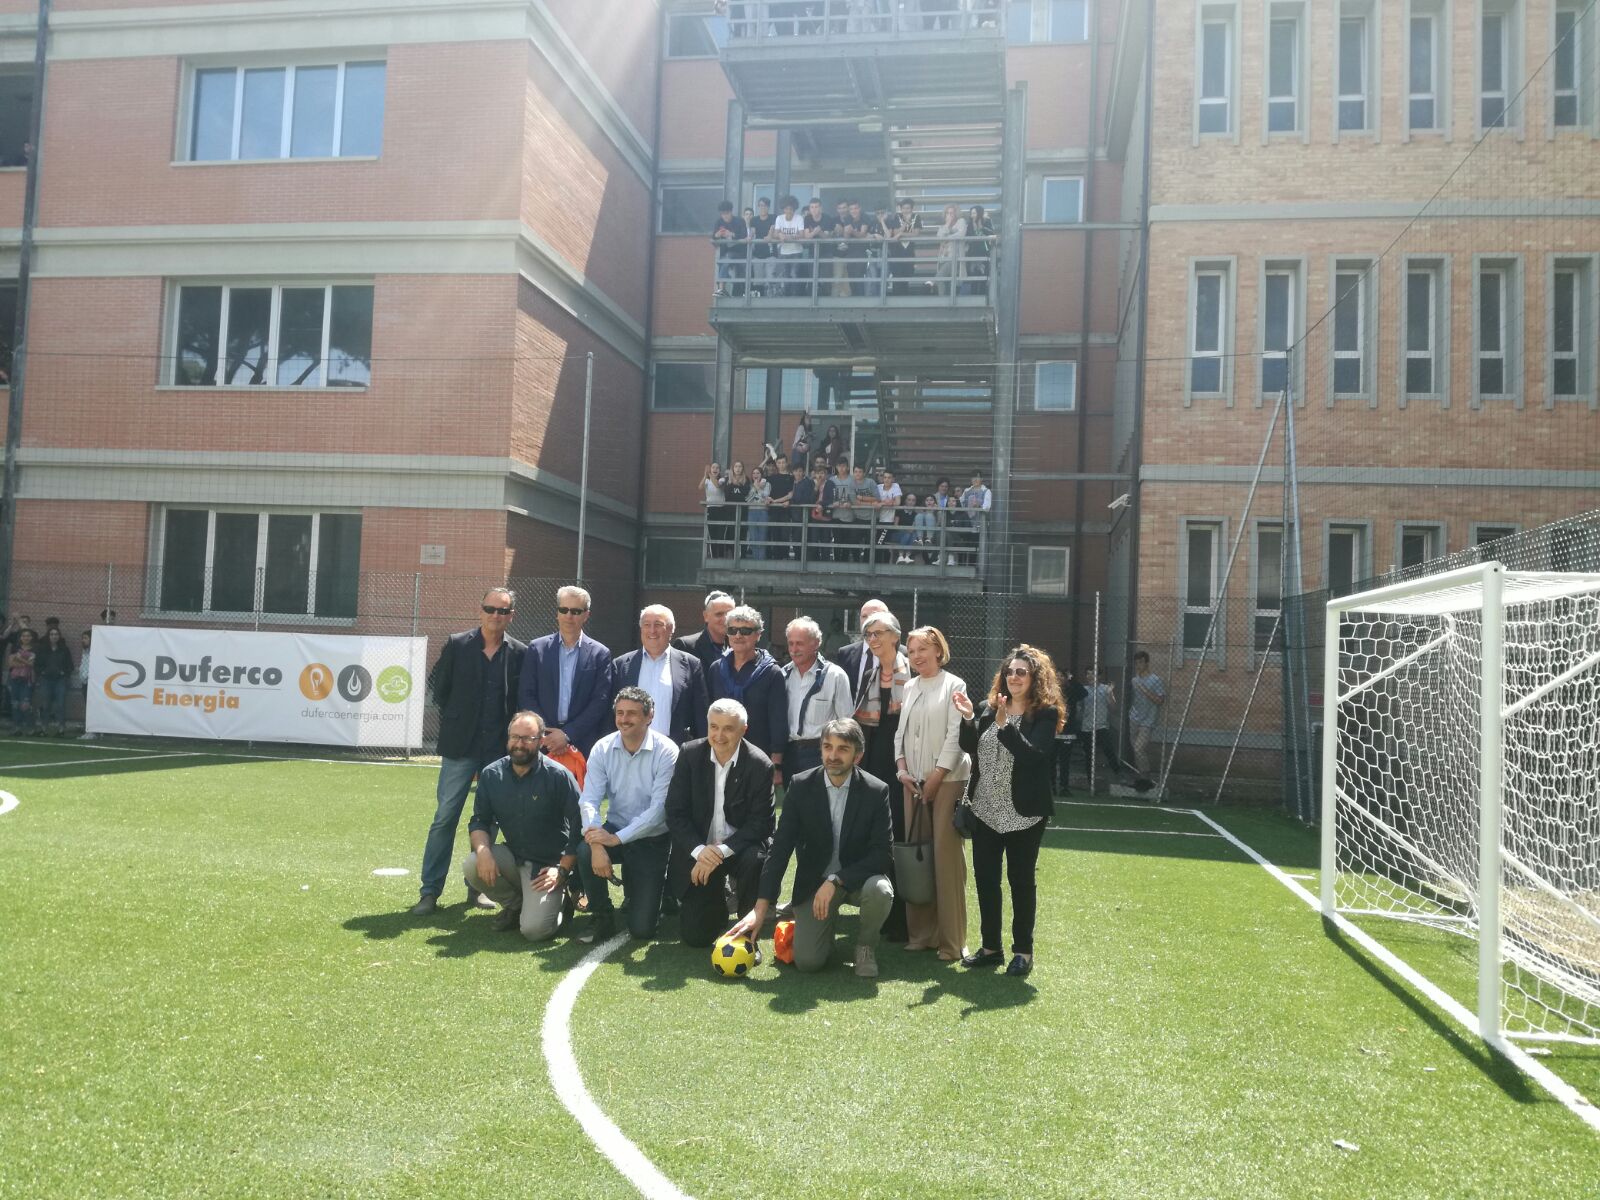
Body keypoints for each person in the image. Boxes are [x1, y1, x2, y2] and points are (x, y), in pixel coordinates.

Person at [726, 719, 895, 977]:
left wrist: (837, 880)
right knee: (808, 962)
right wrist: (761, 907)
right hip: (815, 883)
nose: (833, 755)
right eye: (828, 747)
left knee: (881, 890)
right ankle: (809, 921)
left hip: (858, 880)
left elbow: (882, 855)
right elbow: (780, 848)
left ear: (857, 756)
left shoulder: (876, 790)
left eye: (842, 749)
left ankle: (865, 946)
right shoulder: (801, 785)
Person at [411, 587, 528, 915]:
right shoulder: (457, 644)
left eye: (502, 611)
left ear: (511, 616)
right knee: (445, 817)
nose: (496, 615)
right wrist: (459, 717)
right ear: (481, 611)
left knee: (488, 822)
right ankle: (429, 891)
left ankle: (476, 889)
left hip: (498, 751)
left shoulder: (519, 652)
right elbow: (439, 688)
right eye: (490, 608)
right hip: (460, 747)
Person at [954, 645, 1064, 978]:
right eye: (1009, 672)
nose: (1013, 678)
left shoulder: (1045, 713)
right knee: (987, 880)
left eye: (1021, 672)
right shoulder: (990, 707)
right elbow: (970, 748)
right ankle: (990, 949)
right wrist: (970, 719)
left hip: (1024, 814)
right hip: (985, 808)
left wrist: (1006, 727)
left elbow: (1034, 756)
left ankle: (1023, 952)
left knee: (1020, 882)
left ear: (1035, 678)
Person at [461, 710, 581, 941]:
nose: (520, 744)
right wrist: (484, 851)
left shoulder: (558, 776)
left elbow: (581, 824)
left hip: (548, 866)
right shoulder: (491, 774)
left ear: (540, 741)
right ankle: (515, 905)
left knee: (534, 931)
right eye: (515, 737)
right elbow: (479, 821)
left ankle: (563, 899)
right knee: (473, 864)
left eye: (528, 738)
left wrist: (562, 870)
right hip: (514, 857)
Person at [665, 698, 776, 947]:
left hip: (739, 849)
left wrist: (718, 851)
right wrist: (700, 851)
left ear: (743, 730)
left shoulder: (760, 764)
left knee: (756, 858)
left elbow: (761, 824)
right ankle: (719, 900)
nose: (719, 735)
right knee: (696, 937)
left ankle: (748, 936)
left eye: (728, 728)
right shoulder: (689, 754)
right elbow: (675, 812)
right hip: (700, 850)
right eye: (713, 727)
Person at [576, 687, 681, 942]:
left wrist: (616, 839)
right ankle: (601, 916)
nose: (624, 719)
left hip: (653, 838)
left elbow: (659, 811)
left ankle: (661, 888)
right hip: (615, 829)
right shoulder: (602, 748)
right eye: (620, 713)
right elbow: (589, 799)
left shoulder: (667, 751)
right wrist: (597, 841)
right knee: (584, 850)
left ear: (649, 716)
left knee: (642, 931)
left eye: (632, 713)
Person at [892, 625, 970, 961]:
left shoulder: (955, 685)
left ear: (938, 650)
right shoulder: (908, 686)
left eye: (922, 649)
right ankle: (921, 935)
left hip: (948, 782)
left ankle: (952, 943)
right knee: (916, 860)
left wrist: (938, 776)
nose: (916, 657)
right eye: (911, 652)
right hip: (914, 784)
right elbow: (900, 735)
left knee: (946, 861)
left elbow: (956, 736)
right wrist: (902, 770)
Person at [851, 609, 911, 940]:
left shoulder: (913, 673)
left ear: (895, 637)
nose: (872, 640)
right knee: (878, 837)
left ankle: (905, 916)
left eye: (878, 633)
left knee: (902, 837)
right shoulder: (869, 676)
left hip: (903, 766)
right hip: (873, 765)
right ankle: (881, 911)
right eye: (868, 635)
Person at [518, 585, 614, 757]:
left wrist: (567, 734)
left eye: (576, 611)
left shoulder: (600, 653)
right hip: (542, 741)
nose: (569, 616)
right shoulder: (536, 648)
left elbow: (600, 701)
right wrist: (547, 733)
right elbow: (526, 694)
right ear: (557, 613)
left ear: (586, 615)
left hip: (582, 742)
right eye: (564, 610)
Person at [706, 605, 788, 779]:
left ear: (758, 634)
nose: (738, 635)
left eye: (745, 630)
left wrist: (776, 763)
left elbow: (778, 720)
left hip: (758, 755)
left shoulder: (772, 673)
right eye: (733, 630)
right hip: (721, 752)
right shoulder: (716, 669)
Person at [611, 604, 709, 746]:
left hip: (675, 749)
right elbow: (612, 714)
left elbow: (700, 715)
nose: (652, 630)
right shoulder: (621, 665)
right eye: (646, 625)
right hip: (629, 748)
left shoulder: (691, 664)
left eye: (658, 624)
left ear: (671, 629)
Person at [781, 617, 854, 782]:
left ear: (816, 643)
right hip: (789, 753)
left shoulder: (835, 676)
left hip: (822, 753)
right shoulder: (783, 675)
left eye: (799, 643)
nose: (794, 649)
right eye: (790, 643)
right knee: (792, 805)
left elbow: (845, 723)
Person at [832, 597, 890, 698]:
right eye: (864, 616)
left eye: (874, 615)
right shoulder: (845, 654)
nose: (867, 620)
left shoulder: (902, 654)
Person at [1127, 651, 1166, 786]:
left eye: (1141, 662)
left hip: (1148, 721)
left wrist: (1144, 690)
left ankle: (1146, 777)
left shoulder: (1156, 680)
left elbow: (1160, 700)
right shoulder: (1134, 680)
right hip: (1134, 718)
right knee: (1136, 749)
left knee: (1139, 748)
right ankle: (1141, 778)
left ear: (1147, 663)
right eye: (1136, 663)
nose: (1138, 665)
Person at [674, 590, 735, 671]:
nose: (725, 619)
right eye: (719, 614)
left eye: (729, 614)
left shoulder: (737, 646)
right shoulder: (686, 646)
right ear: (706, 616)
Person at [1080, 667, 1120, 790]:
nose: (1090, 676)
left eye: (1093, 674)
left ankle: (1119, 774)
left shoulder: (1105, 689)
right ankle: (1090, 783)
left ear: (1099, 676)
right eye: (1088, 674)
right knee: (1089, 756)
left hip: (1101, 726)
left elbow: (1114, 709)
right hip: (1087, 727)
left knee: (1108, 749)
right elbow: (1079, 707)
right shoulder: (1084, 690)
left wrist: (1110, 694)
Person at [33, 626, 75, 736]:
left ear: (59, 636)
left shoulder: (64, 649)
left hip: (60, 681)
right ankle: (44, 729)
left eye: (56, 634)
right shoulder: (42, 649)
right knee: (46, 705)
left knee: (60, 705)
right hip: (46, 680)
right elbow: (36, 665)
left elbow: (70, 666)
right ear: (48, 636)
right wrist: (41, 673)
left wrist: (64, 673)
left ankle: (61, 729)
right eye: (51, 634)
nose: (54, 636)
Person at [769, 194, 806, 295]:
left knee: (794, 274)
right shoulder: (779, 218)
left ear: (794, 209)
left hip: (796, 251)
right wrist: (780, 234)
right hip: (783, 251)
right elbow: (776, 233)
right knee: (785, 275)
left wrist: (787, 237)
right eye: (786, 208)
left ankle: (794, 296)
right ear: (783, 209)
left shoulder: (799, 218)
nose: (789, 211)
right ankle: (786, 296)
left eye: (791, 209)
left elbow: (802, 234)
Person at [824, 456, 859, 562]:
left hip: (850, 516)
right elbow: (826, 497)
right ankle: (837, 563)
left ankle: (845, 563)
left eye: (844, 466)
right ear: (836, 467)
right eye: (839, 466)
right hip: (836, 515)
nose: (842, 469)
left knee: (848, 542)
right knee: (837, 541)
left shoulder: (853, 480)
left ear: (848, 467)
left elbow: (858, 496)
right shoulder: (831, 480)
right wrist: (832, 503)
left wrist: (851, 503)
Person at [886, 198, 923, 295]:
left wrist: (901, 235)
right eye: (904, 208)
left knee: (907, 274)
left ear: (912, 209)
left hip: (909, 251)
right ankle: (896, 298)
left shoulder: (916, 217)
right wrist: (905, 224)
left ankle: (904, 298)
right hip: (896, 251)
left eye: (908, 208)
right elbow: (895, 232)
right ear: (900, 209)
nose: (906, 211)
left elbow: (916, 233)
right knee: (897, 275)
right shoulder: (896, 217)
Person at [711, 200, 747, 297]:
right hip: (725, 252)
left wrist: (731, 234)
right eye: (722, 214)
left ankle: (722, 289)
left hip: (739, 252)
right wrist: (717, 235)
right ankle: (722, 288)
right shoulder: (719, 222)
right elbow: (713, 238)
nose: (725, 216)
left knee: (727, 260)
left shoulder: (739, 221)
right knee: (723, 262)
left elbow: (744, 235)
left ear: (731, 212)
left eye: (727, 213)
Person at [930, 203, 968, 296]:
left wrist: (947, 237)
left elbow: (961, 234)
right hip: (943, 257)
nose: (949, 215)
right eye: (947, 213)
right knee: (946, 281)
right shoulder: (943, 227)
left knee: (940, 278)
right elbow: (939, 237)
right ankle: (945, 300)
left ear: (956, 213)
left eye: (952, 213)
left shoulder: (961, 221)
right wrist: (947, 224)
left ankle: (940, 296)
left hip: (955, 257)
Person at [958, 469, 993, 565]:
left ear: (981, 479)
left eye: (977, 477)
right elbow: (961, 505)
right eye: (973, 477)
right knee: (964, 545)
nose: (975, 479)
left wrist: (978, 504)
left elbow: (987, 507)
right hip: (967, 523)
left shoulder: (986, 491)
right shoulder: (966, 491)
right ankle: (962, 565)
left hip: (979, 524)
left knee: (975, 547)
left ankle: (973, 567)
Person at [6, 627, 37, 733]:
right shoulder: (15, 648)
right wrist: (25, 662)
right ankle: (17, 727)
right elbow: (10, 664)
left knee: (25, 705)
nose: (26, 638)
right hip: (14, 679)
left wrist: (19, 659)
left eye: (28, 636)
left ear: (31, 637)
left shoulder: (35, 649)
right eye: (24, 636)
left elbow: (32, 665)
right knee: (15, 704)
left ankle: (30, 727)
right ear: (20, 638)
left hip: (27, 680)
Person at [963, 204, 996, 297]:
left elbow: (992, 233)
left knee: (983, 275)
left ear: (979, 213)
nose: (972, 215)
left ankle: (982, 295)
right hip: (973, 253)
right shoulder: (969, 224)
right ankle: (973, 295)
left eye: (974, 213)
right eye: (971, 213)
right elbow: (967, 237)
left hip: (983, 251)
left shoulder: (987, 221)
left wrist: (981, 227)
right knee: (973, 276)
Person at [766, 453, 795, 557]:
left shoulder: (791, 478)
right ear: (776, 464)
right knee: (775, 534)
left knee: (785, 534)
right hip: (773, 511)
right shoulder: (772, 478)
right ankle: (776, 558)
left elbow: (790, 495)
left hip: (785, 510)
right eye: (779, 462)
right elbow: (757, 473)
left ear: (787, 463)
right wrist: (766, 459)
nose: (781, 464)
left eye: (783, 462)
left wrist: (775, 501)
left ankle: (784, 557)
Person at [700, 463, 729, 558]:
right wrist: (705, 476)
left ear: (719, 470)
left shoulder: (722, 479)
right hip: (711, 509)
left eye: (717, 467)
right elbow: (700, 487)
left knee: (721, 535)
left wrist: (710, 475)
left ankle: (721, 557)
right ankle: (714, 557)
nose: (715, 469)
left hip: (721, 509)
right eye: (713, 467)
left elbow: (717, 485)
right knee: (712, 535)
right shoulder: (707, 480)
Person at [723, 460, 751, 556]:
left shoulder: (746, 479)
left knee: (742, 533)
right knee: (731, 533)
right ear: (733, 468)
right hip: (730, 511)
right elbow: (726, 495)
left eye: (740, 466)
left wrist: (738, 484)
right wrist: (732, 483)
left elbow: (746, 493)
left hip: (743, 511)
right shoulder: (728, 480)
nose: (738, 469)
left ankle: (743, 554)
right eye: (736, 466)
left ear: (742, 468)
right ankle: (732, 554)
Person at [748, 197, 774, 296]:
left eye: (765, 205)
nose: (763, 207)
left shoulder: (773, 217)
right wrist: (750, 237)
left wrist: (770, 235)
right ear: (758, 207)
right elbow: (753, 231)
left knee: (770, 277)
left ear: (768, 207)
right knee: (758, 280)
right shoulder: (754, 220)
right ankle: (759, 299)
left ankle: (769, 299)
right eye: (761, 205)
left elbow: (773, 228)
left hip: (771, 253)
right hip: (758, 253)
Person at [746, 465, 771, 559]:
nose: (755, 475)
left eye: (758, 473)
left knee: (762, 537)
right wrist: (755, 488)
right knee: (753, 538)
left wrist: (758, 489)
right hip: (751, 512)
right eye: (754, 473)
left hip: (763, 512)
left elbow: (766, 496)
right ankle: (755, 560)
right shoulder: (749, 485)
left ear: (761, 475)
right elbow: (748, 499)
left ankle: (761, 561)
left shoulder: (767, 484)